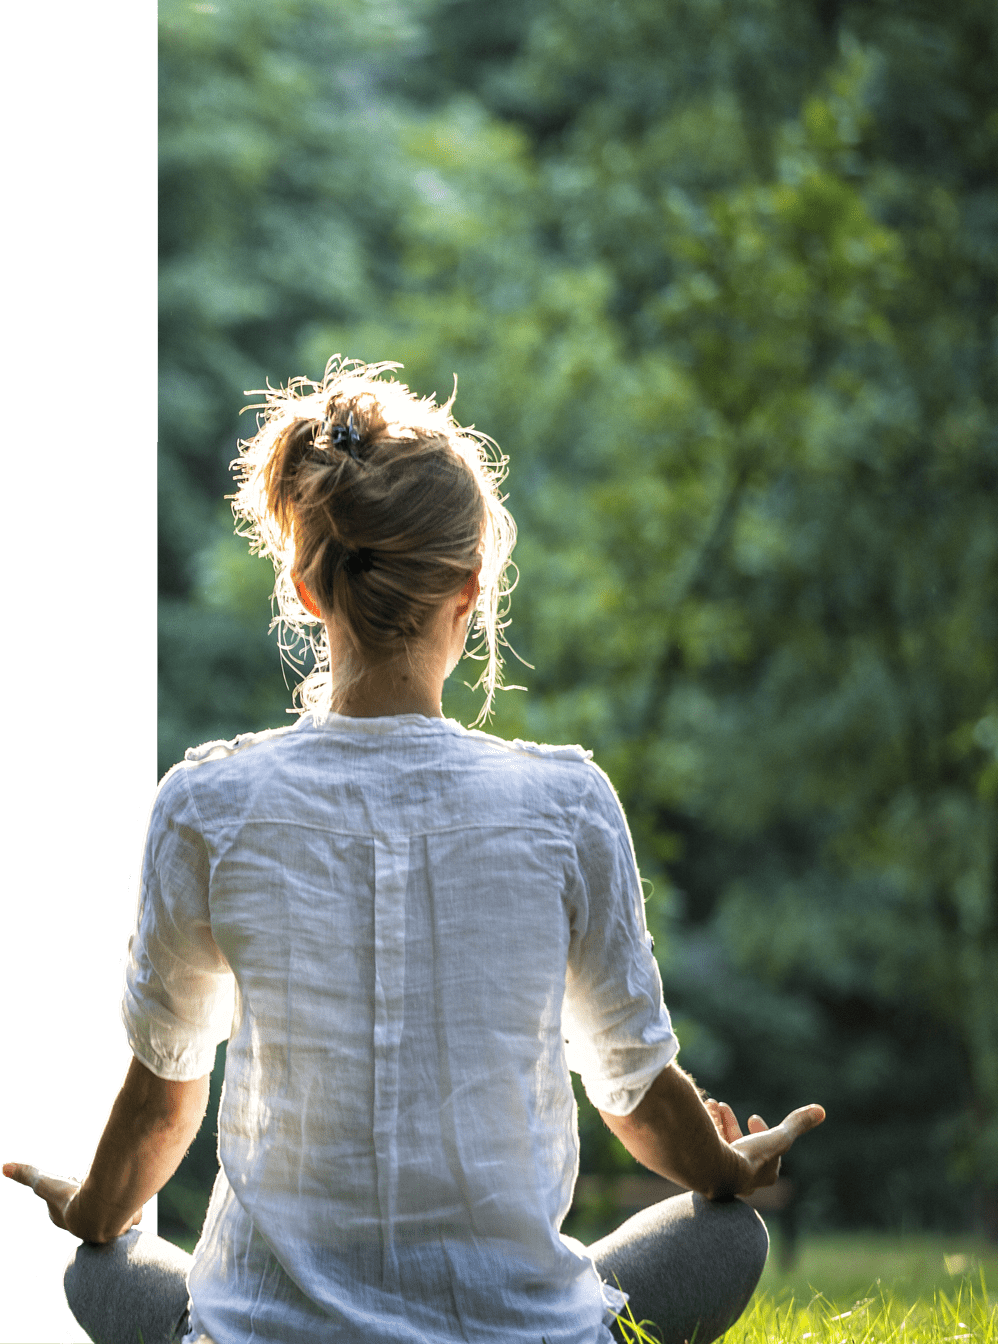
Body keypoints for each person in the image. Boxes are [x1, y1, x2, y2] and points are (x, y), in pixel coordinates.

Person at [3, 358, 824, 1344]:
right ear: (470, 592)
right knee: (730, 1239)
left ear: (308, 590)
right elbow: (637, 1091)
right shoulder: (566, 802)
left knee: (97, 1271)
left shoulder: (205, 805)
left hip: (269, 1330)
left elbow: (165, 1090)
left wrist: (93, 1210)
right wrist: (731, 1169)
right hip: (516, 1332)